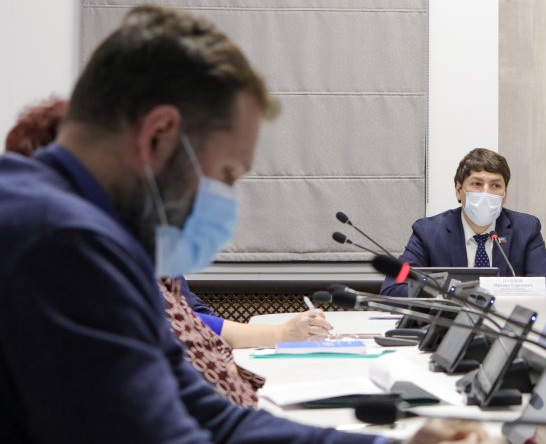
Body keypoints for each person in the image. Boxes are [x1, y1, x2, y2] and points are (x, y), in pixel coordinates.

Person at [0, 5, 525, 444]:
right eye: (226, 174)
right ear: (159, 135)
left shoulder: (84, 228)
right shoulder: (62, 244)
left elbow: (214, 424)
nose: (229, 199)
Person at [4, 96, 331, 407]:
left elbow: (193, 319)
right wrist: (274, 337)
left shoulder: (145, 247)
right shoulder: (78, 274)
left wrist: (228, 364)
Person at [382, 147, 546, 296]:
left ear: (505, 194)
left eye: (495, 185)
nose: (486, 192)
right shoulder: (428, 232)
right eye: (477, 184)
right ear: (458, 190)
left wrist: (501, 292)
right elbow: (393, 287)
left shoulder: (525, 229)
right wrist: (450, 295)